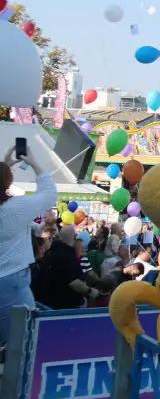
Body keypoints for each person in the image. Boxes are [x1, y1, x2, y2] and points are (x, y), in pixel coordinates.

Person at [0, 141, 58, 349]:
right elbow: (49, 194)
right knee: (21, 341)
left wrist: (5, 169)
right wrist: (34, 163)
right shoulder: (14, 208)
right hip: (11, 282)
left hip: (9, 281)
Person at [31, 226, 100, 309]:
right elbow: (73, 282)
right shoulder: (68, 255)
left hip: (44, 302)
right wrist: (90, 291)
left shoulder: (50, 252)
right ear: (74, 237)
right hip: (62, 305)